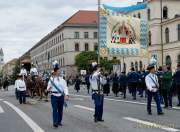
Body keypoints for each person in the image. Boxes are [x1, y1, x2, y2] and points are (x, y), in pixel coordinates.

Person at [47, 60, 69, 128]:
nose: (60, 71)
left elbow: (65, 87)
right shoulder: (51, 79)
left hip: (61, 96)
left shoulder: (62, 79)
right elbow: (48, 89)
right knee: (54, 109)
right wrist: (52, 81)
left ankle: (59, 121)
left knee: (60, 110)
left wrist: (66, 95)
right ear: (56, 71)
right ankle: (55, 122)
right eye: (59, 70)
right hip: (54, 96)